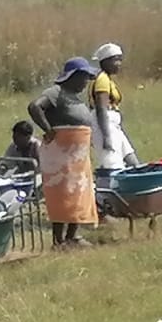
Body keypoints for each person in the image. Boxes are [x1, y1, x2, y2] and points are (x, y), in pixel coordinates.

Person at [28, 58, 100, 249]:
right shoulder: (55, 92)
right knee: (63, 194)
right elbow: (35, 107)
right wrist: (48, 129)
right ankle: (59, 240)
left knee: (80, 192)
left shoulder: (74, 97)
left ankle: (73, 236)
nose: (86, 82)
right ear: (72, 76)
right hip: (61, 156)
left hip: (78, 155)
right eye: (83, 77)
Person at [91, 42, 140, 172]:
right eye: (115, 60)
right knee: (113, 164)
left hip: (113, 125)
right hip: (105, 125)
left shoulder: (108, 79)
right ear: (105, 61)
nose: (119, 63)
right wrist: (106, 136)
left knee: (131, 160)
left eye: (120, 59)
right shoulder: (102, 80)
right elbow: (101, 109)